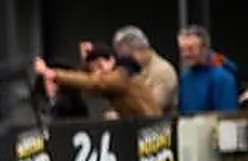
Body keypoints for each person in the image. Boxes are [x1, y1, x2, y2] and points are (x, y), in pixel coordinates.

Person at [32, 44, 160, 119]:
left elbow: (94, 82)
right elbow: (88, 84)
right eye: (94, 68)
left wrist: (52, 73)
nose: (99, 71)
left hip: (151, 128)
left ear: (112, 60)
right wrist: (85, 64)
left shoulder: (120, 76)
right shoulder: (116, 74)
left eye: (100, 65)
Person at [111, 26, 179, 114]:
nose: (125, 61)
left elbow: (153, 109)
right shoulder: (135, 71)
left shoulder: (163, 71)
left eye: (127, 56)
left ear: (140, 49)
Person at [177, 25, 240, 115]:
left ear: (204, 49)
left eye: (191, 49)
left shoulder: (222, 78)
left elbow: (228, 117)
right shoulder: (185, 78)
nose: (186, 54)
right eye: (182, 50)